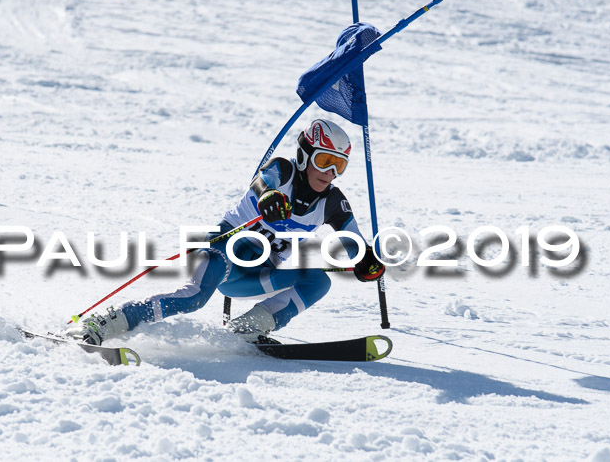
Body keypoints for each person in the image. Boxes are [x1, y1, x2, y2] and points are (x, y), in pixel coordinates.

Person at [66, 118, 385, 345]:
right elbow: (261, 181)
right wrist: (268, 196)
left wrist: (366, 261)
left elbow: (354, 241)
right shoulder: (284, 170)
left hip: (254, 277)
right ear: (304, 155)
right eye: (325, 160)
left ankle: (250, 327)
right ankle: (110, 322)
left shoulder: (332, 201)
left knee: (318, 281)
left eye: (339, 166)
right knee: (194, 298)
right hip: (222, 252)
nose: (330, 173)